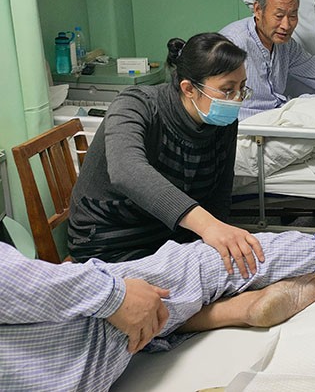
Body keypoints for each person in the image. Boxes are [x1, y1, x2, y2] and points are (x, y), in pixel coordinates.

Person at [0, 232, 315, 391]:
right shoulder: (137, 110)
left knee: (148, 323)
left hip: (65, 375)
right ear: (187, 87)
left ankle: (234, 311)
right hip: (86, 320)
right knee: (209, 262)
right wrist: (112, 296)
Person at [68, 32, 265, 272]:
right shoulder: (136, 105)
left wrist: (217, 240)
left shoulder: (222, 122)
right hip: (111, 242)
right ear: (189, 88)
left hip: (171, 237)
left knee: (247, 266)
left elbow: (219, 193)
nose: (237, 99)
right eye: (227, 90)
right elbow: (127, 171)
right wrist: (207, 226)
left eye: (242, 88)